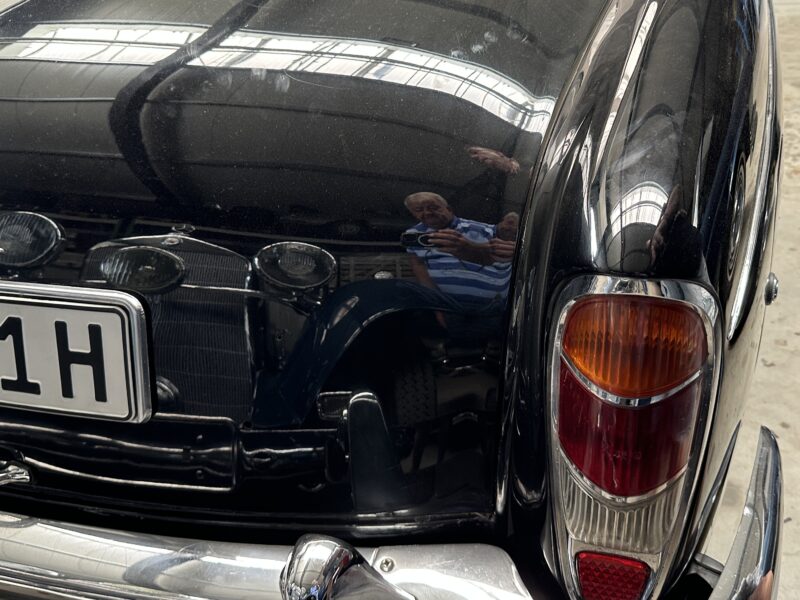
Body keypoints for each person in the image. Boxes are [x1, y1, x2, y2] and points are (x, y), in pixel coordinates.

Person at [402, 193, 513, 337]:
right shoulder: (413, 236)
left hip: (493, 309)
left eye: (433, 207)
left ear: (449, 209)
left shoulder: (483, 228)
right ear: (413, 214)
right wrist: (436, 305)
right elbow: (419, 268)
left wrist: (470, 247)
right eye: (419, 210)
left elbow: (512, 250)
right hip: (445, 308)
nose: (427, 212)